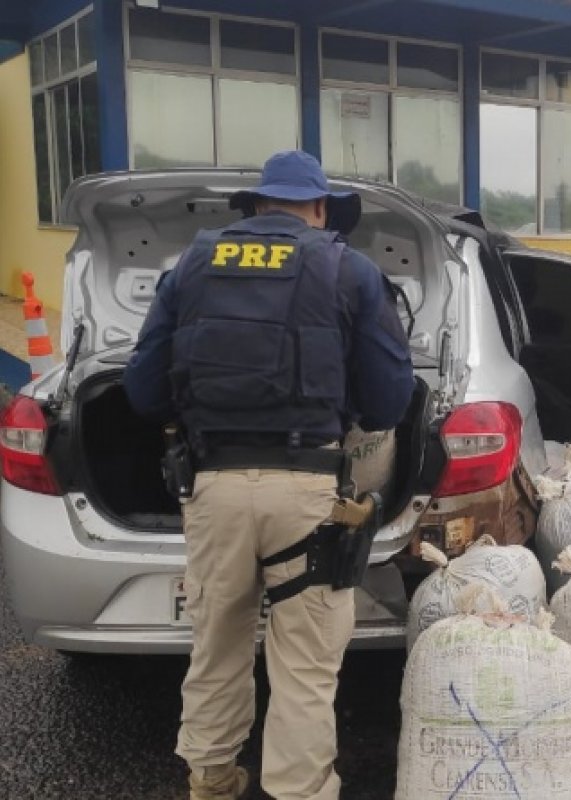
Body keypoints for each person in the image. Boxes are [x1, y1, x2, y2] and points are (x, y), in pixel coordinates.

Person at [124, 150, 414, 800]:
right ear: (318, 210)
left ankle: (211, 781)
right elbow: (391, 401)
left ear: (256, 207)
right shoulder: (350, 270)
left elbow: (142, 392)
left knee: (218, 646)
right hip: (308, 497)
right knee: (305, 668)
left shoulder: (193, 265)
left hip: (213, 490)